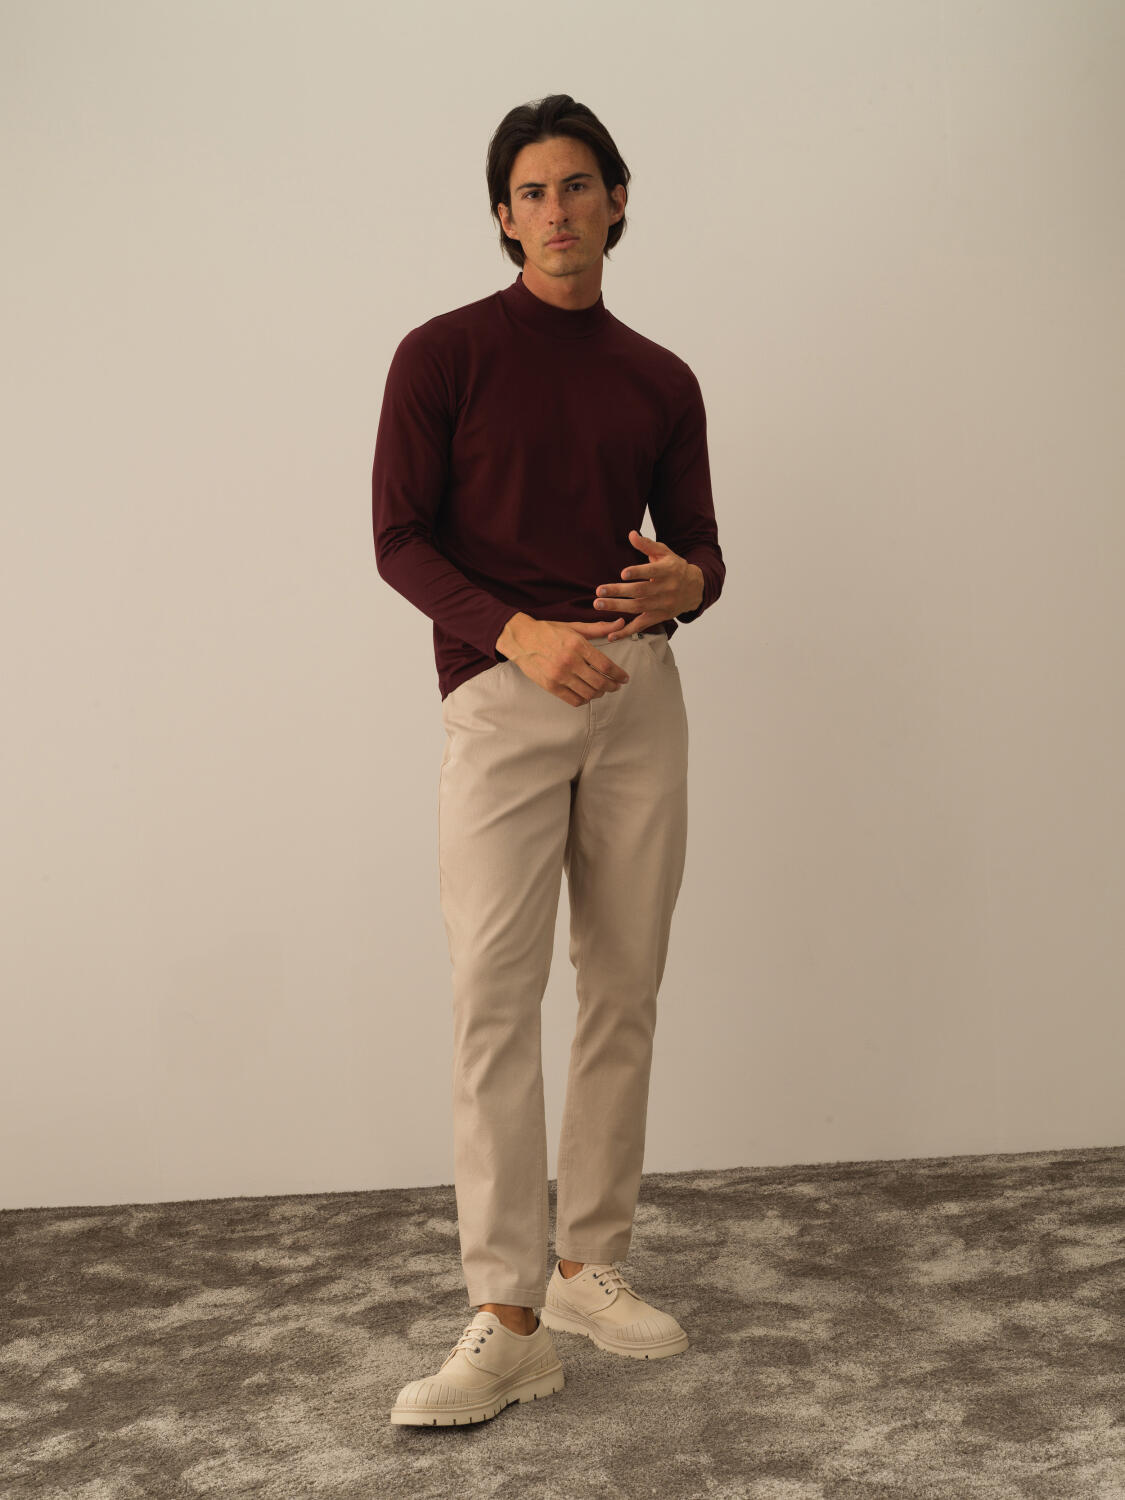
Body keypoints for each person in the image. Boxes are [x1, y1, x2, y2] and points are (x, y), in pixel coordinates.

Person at [373, 94, 724, 1426]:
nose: (558, 209)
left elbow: (699, 548)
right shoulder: (443, 355)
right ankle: (507, 1313)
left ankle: (586, 1269)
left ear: (617, 202)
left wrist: (691, 585)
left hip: (636, 693)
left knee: (623, 985)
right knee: (494, 996)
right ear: (502, 217)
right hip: (504, 691)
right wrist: (515, 634)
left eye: (579, 185)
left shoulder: (660, 378)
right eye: (532, 191)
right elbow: (398, 537)